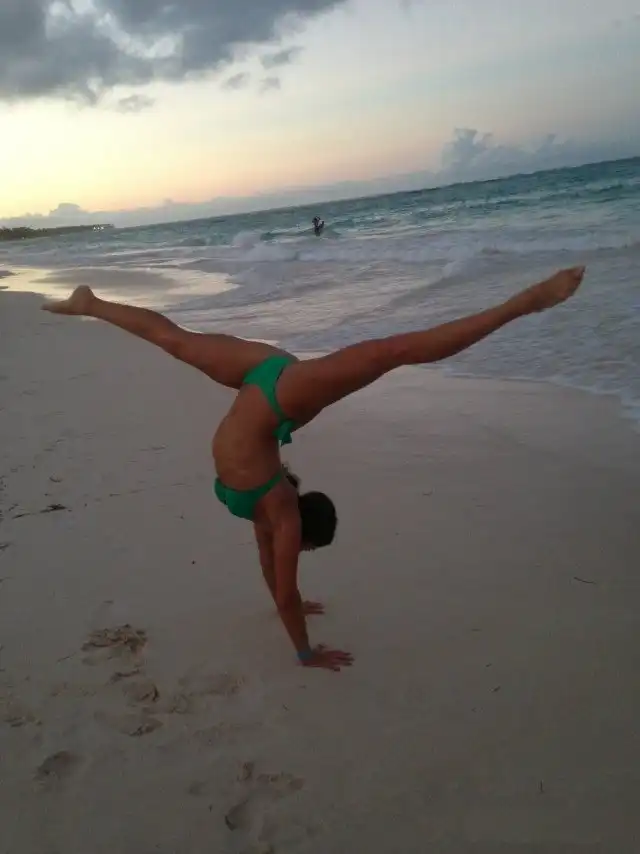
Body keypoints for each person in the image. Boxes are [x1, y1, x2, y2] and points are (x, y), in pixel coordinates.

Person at [42, 266, 586, 671]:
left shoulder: (269, 514)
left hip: (260, 375)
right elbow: (284, 591)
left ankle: (92, 303)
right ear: (302, 533)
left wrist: (294, 602)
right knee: (389, 352)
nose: (293, 552)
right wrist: (305, 653)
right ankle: (523, 303)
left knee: (175, 340)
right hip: (283, 392)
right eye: (301, 549)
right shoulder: (280, 514)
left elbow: (272, 576)